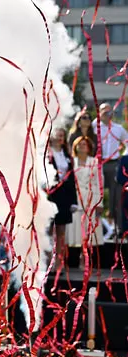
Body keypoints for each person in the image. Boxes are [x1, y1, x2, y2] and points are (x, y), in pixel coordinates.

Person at [66, 136, 104, 266]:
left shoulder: (95, 162)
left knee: (89, 230)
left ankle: (86, 259)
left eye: (84, 144)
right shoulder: (71, 162)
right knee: (75, 229)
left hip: (91, 199)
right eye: (79, 144)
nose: (82, 146)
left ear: (89, 147)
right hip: (75, 199)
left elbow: (99, 183)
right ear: (75, 147)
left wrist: (100, 203)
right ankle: (73, 259)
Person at [92, 103, 128, 233]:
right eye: (105, 111)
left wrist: (123, 157)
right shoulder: (94, 127)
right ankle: (95, 227)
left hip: (113, 164)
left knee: (116, 196)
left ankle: (118, 228)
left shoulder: (118, 129)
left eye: (110, 112)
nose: (108, 114)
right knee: (96, 194)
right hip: (97, 164)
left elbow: (127, 141)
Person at [46, 128, 77, 266]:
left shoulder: (67, 156)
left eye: (62, 135)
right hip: (50, 195)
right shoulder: (45, 154)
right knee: (47, 230)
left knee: (61, 230)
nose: (60, 138)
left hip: (64, 195)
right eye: (57, 135)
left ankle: (58, 263)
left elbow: (72, 178)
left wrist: (73, 201)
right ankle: (46, 263)